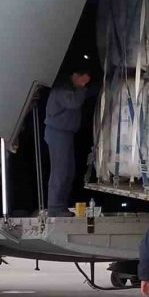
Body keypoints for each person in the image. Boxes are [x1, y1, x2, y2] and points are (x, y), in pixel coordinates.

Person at [44, 69, 94, 217]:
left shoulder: (72, 89)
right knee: (60, 171)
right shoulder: (62, 89)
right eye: (82, 80)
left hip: (65, 133)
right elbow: (74, 102)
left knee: (68, 170)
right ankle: (54, 207)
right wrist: (81, 87)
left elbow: (85, 94)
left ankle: (61, 205)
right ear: (74, 75)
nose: (84, 84)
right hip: (57, 132)